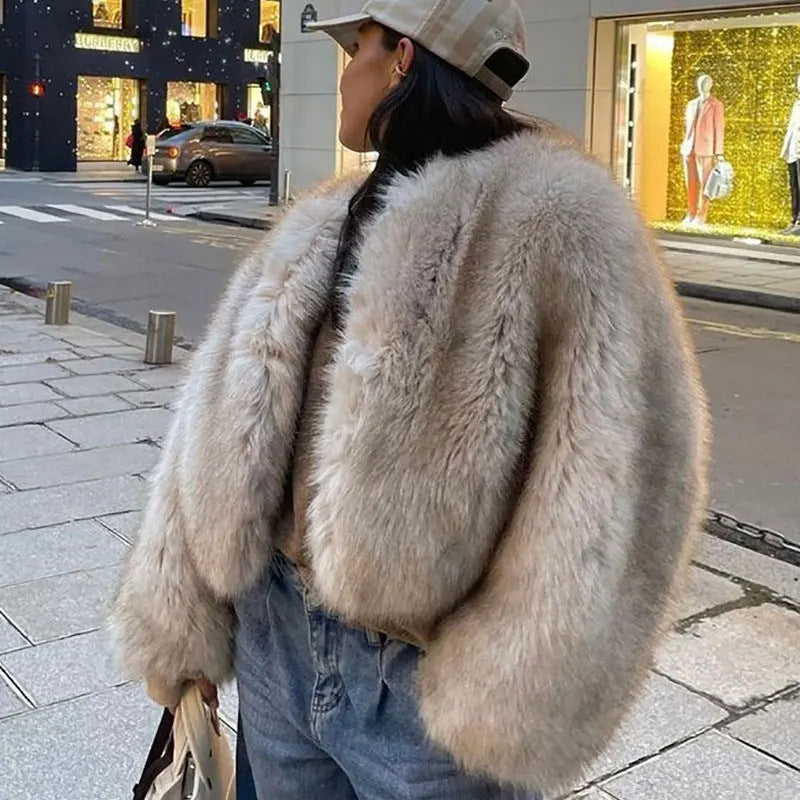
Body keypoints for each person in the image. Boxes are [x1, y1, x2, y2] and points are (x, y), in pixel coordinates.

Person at [112, 0, 708, 798]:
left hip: (424, 689)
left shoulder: (562, 219)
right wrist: (183, 621)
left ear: (402, 58)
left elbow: (621, 474)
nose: (343, 69)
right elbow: (215, 421)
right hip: (277, 637)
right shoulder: (327, 216)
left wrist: (508, 687)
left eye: (355, 45)